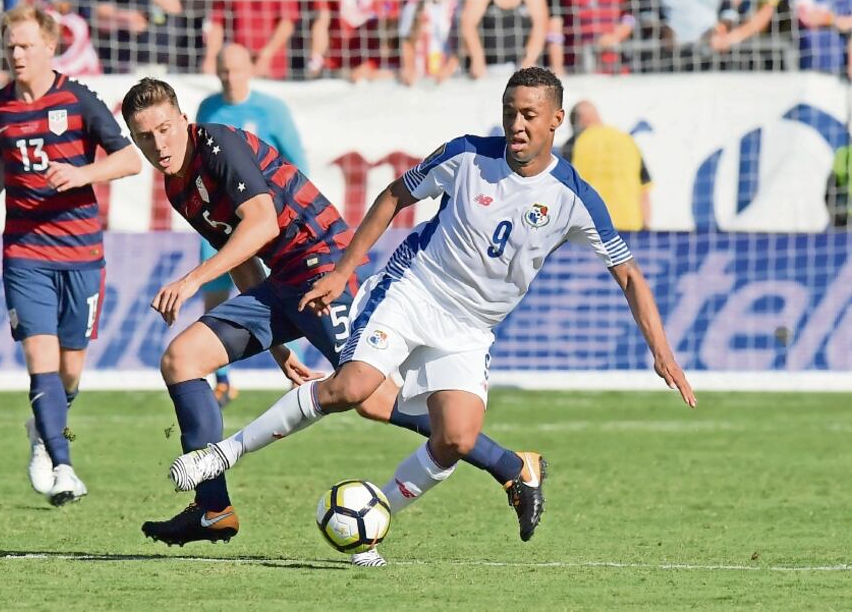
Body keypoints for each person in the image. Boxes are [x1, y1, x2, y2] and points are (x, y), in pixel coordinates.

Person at [169, 67, 697, 566]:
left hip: (471, 328)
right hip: (412, 291)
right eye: (511, 111)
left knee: (456, 439)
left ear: (556, 120)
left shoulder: (574, 198)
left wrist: (662, 352)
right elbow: (393, 195)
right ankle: (223, 454)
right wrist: (343, 270)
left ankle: (373, 527)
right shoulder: (466, 155)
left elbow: (629, 275)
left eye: (530, 115)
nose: (517, 124)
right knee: (353, 389)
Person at [121, 78, 541, 559]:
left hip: (324, 270)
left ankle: (511, 465)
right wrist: (280, 349)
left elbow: (261, 223)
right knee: (181, 359)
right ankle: (213, 508)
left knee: (373, 398)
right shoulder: (179, 186)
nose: (158, 144)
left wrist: (192, 280)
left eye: (164, 129)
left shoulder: (217, 143)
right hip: (280, 284)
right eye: (144, 137)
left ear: (183, 121)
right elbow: (241, 256)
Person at [0, 5, 142, 506]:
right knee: (39, 361)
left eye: (25, 45)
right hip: (24, 251)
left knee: (71, 371)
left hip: (82, 252)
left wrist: (81, 175)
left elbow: (130, 159)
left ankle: (42, 429)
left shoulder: (80, 100)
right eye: (10, 46)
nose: (16, 54)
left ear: (49, 47)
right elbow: (4, 161)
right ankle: (62, 465)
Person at [194, 43, 309, 405]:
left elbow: (296, 162)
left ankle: (299, 371)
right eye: (224, 71)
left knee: (282, 291)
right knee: (213, 290)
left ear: (250, 69)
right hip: (219, 222)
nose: (230, 78)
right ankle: (223, 378)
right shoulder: (208, 108)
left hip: (264, 219)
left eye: (236, 70)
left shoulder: (272, 110)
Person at [561, 100, 651, 231]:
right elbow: (644, 190)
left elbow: (563, 190)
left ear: (580, 121)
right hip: (630, 227)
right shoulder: (627, 140)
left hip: (590, 228)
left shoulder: (572, 144)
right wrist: (646, 227)